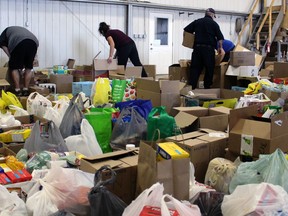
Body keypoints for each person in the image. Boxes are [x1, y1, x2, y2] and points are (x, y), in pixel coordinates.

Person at [184, 8, 224, 89]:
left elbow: (186, 30)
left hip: (197, 49)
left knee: (195, 68)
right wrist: (220, 48)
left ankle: (192, 88)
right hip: (208, 50)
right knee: (209, 69)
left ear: (206, 14)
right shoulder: (214, 24)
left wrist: (190, 41)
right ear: (212, 15)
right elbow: (220, 38)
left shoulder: (197, 21)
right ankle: (207, 87)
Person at [0, 26, 39, 96]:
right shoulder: (19, 30)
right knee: (29, 67)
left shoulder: (3, 35)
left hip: (18, 42)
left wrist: (11, 57)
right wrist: (33, 59)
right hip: (34, 42)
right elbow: (34, 50)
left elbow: (3, 47)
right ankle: (25, 89)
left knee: (14, 67)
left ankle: (17, 90)